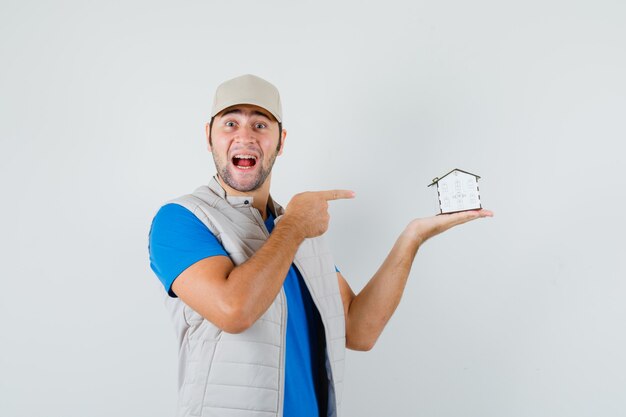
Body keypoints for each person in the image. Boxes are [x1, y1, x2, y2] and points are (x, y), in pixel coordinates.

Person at [148, 74, 493, 417]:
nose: (244, 136)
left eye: (260, 125)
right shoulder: (182, 219)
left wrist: (413, 237)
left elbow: (360, 330)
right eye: (230, 123)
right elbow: (233, 310)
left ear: (281, 142)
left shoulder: (297, 231)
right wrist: (296, 225)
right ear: (208, 136)